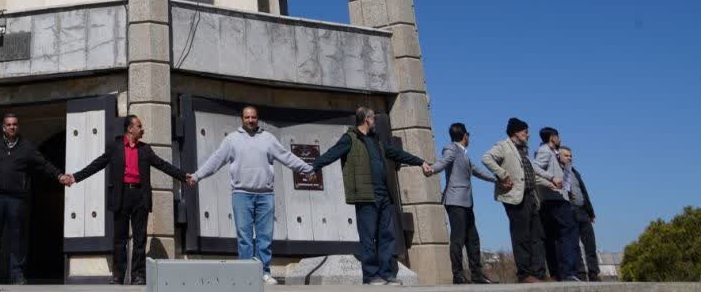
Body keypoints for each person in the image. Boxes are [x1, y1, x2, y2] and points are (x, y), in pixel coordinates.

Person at [189, 105, 314, 285]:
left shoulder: (268, 138)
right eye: (247, 117)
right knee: (245, 238)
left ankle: (264, 272)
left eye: (253, 117)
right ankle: (246, 274)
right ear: (242, 119)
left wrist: (308, 169)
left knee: (265, 237)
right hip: (241, 195)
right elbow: (215, 160)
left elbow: (287, 156)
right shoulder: (232, 140)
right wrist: (197, 176)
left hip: (265, 195)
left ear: (257, 118)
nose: (250, 120)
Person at [310, 107, 434, 286]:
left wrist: (420, 162)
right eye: (373, 118)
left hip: (384, 196)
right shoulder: (350, 139)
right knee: (368, 236)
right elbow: (332, 153)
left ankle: (386, 274)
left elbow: (398, 154)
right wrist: (313, 167)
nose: (375, 121)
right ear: (366, 120)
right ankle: (370, 275)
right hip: (365, 195)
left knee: (387, 236)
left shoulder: (377, 141)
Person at [69, 114, 192, 285]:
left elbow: (163, 165)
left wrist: (183, 176)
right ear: (130, 129)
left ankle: (138, 275)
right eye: (139, 126)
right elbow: (97, 164)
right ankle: (118, 276)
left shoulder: (145, 149)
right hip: (121, 195)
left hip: (140, 196)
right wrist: (75, 177)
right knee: (120, 239)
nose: (142, 129)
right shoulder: (115, 147)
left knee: (140, 239)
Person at [0, 112, 67, 285]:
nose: (12, 127)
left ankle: (17, 274)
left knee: (17, 238)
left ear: (18, 127)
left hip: (16, 200)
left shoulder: (27, 147)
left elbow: (43, 164)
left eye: (14, 124)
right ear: (3, 128)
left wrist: (59, 175)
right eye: (8, 124)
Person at [482, 118, 557, 284]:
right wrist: (503, 175)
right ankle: (524, 274)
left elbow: (531, 176)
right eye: (525, 132)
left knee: (537, 235)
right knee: (521, 235)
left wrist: (550, 183)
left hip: (531, 196)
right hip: (515, 197)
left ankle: (539, 272)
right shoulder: (503, 146)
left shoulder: (523, 151)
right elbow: (486, 158)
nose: (528, 135)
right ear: (516, 132)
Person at [429, 122, 497, 284]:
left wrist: (497, 180)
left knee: (473, 239)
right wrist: (432, 169)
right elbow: (444, 161)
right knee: (458, 239)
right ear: (465, 136)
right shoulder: (451, 149)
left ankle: (477, 275)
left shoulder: (464, 154)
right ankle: (458, 275)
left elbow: (477, 171)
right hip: (455, 201)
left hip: (466, 202)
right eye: (469, 135)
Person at [535, 127, 580, 281]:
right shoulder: (545, 151)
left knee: (554, 237)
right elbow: (535, 167)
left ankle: (559, 273)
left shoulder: (552, 153)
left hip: (554, 199)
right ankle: (568, 272)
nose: (559, 139)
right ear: (553, 137)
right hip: (555, 200)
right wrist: (552, 178)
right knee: (569, 233)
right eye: (558, 136)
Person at [559, 146, 599, 282]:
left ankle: (594, 273)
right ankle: (580, 273)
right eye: (566, 155)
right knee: (574, 244)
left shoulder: (575, 172)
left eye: (570, 156)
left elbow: (584, 192)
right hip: (569, 210)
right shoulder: (558, 171)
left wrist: (590, 212)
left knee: (590, 244)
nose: (569, 158)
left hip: (583, 211)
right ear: (559, 156)